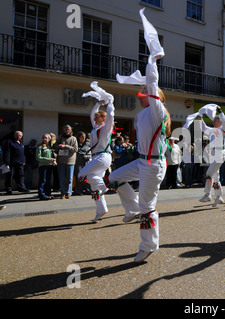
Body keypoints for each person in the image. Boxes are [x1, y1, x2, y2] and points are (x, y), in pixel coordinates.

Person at [108, 8, 171, 263]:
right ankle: (131, 209)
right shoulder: (141, 114)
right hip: (142, 161)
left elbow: (153, 84)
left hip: (153, 164)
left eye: (146, 88)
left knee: (149, 207)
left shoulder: (157, 111)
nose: (142, 89)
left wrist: (152, 60)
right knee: (114, 177)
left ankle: (148, 245)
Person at [78, 82, 115, 222]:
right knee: (94, 186)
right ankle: (101, 209)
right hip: (97, 157)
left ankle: (103, 186)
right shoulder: (95, 128)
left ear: (103, 119)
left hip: (103, 157)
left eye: (97, 117)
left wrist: (110, 104)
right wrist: (98, 104)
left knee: (82, 174)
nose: (94, 119)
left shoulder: (105, 129)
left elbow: (111, 118)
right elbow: (91, 114)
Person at [198, 105, 225, 207]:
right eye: (214, 120)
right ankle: (219, 197)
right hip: (214, 154)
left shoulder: (223, 129)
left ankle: (207, 194)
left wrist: (220, 111)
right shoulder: (213, 130)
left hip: (220, 153)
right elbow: (204, 128)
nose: (213, 122)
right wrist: (200, 119)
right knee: (215, 177)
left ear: (219, 122)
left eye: (215, 120)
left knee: (209, 173)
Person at [53, 125, 78, 199]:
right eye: (65, 129)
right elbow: (54, 145)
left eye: (68, 129)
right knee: (62, 178)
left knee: (70, 178)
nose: (67, 130)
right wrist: (59, 146)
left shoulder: (74, 138)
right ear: (63, 130)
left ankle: (69, 193)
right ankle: (63, 193)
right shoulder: (60, 137)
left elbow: (76, 149)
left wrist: (66, 146)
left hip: (70, 161)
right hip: (61, 160)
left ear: (71, 130)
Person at [35, 133, 56, 200]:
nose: (44, 139)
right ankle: (41, 194)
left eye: (46, 138)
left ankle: (48, 194)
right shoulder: (40, 147)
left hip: (50, 166)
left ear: (49, 139)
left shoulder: (50, 147)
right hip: (43, 166)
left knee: (48, 181)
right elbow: (38, 157)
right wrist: (49, 159)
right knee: (42, 181)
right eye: (43, 137)